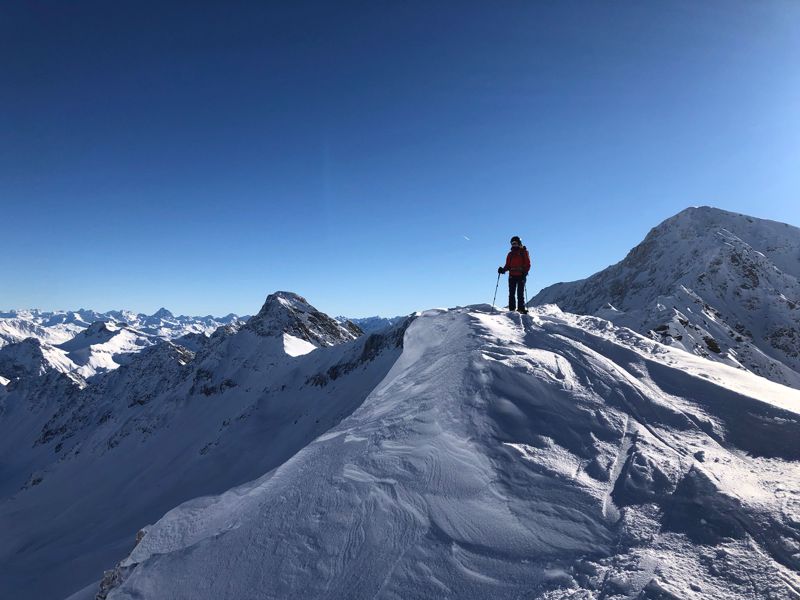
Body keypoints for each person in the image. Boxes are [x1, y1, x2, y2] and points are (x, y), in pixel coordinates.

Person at [498, 236, 531, 313]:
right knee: (511, 293)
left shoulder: (524, 252)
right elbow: (508, 265)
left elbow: (528, 264)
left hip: (521, 275)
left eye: (515, 243)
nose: (513, 245)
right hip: (512, 275)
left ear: (519, 243)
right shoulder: (510, 254)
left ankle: (521, 309)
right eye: (512, 243)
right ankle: (512, 310)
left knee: (520, 293)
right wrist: (502, 270)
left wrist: (525, 272)